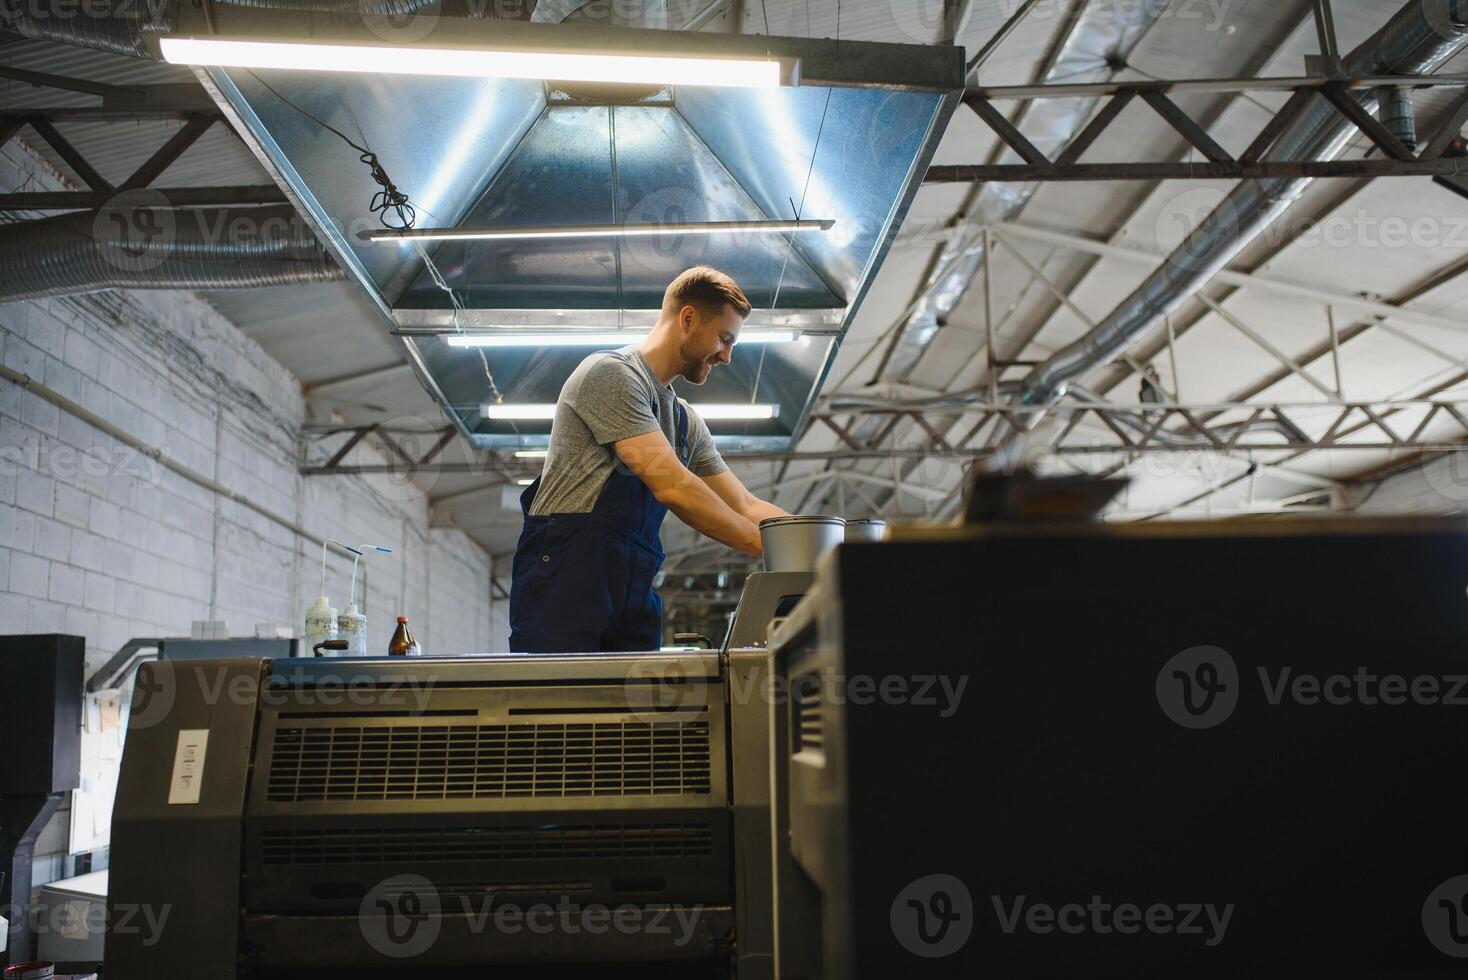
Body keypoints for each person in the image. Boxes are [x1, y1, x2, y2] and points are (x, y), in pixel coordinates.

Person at [509, 266, 788, 653]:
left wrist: (824, 546)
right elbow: (673, 486)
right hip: (568, 577)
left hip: (632, 585)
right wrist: (775, 550)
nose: (726, 356)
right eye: (724, 339)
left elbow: (745, 504)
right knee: (561, 706)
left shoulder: (685, 421)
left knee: (634, 710)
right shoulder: (611, 375)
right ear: (688, 319)